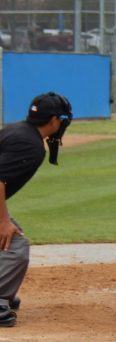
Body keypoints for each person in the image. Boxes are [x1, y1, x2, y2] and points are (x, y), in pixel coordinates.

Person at [0, 92, 73, 327]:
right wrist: (3, 221)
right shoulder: (30, 145)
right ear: (54, 120)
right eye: (62, 119)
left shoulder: (17, 130)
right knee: (15, 246)